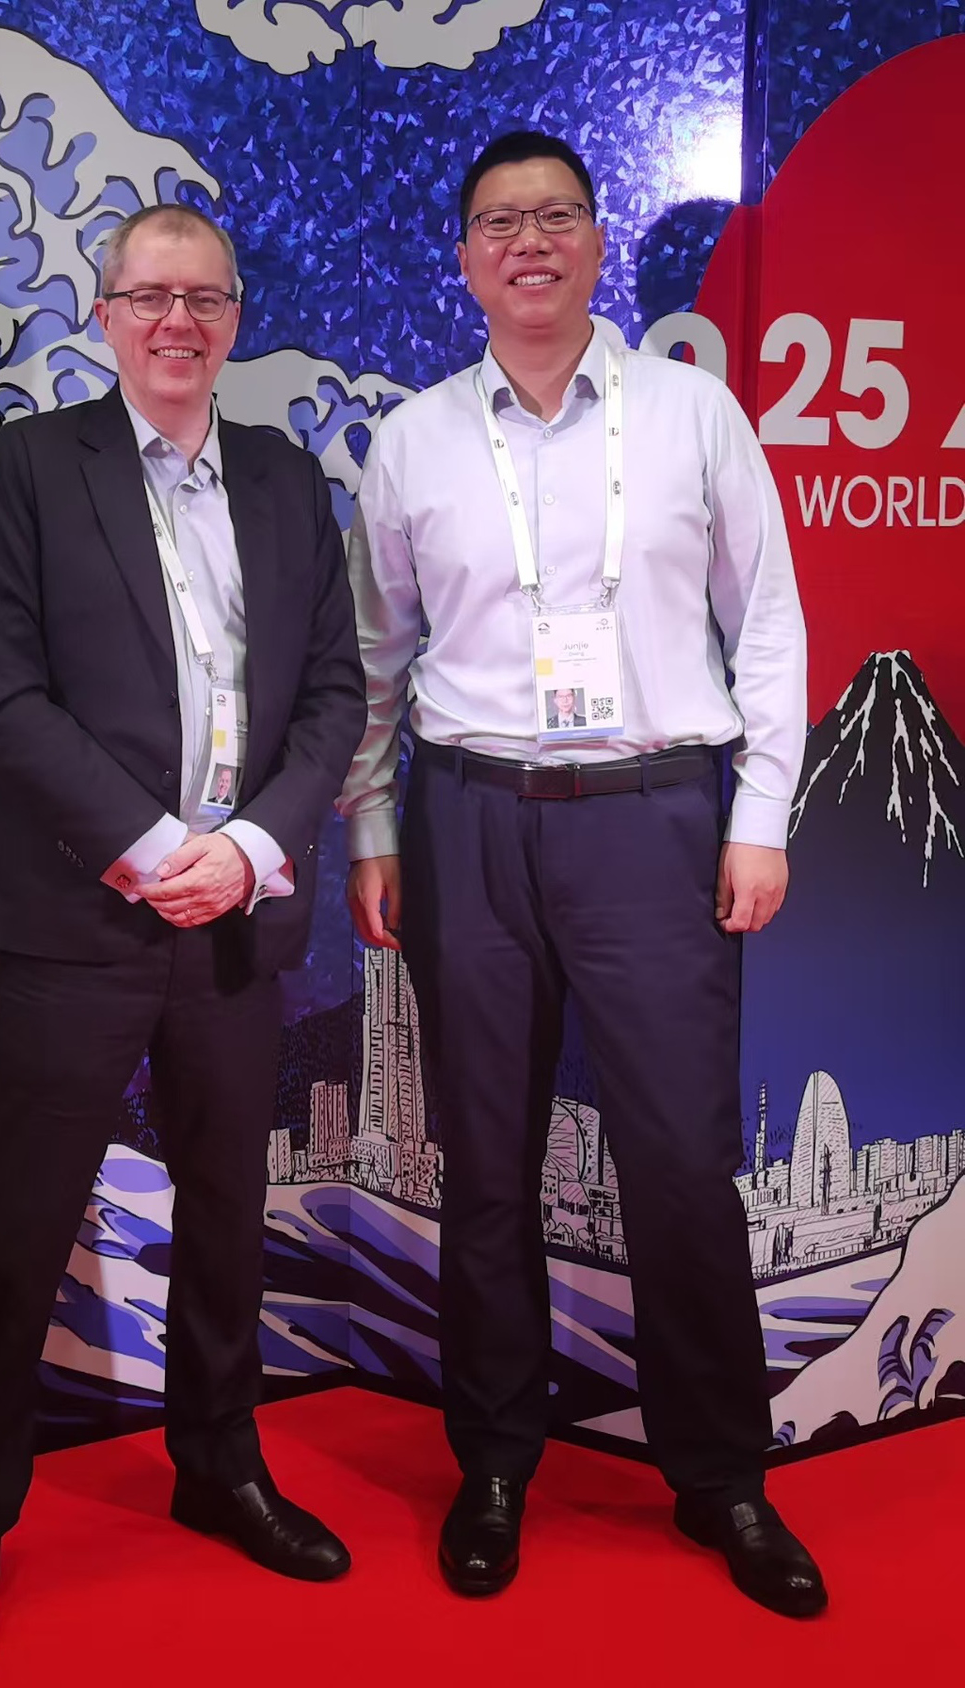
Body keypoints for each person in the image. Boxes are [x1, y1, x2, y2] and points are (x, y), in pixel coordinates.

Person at [339, 131, 826, 1618]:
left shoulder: (692, 413)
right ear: (466, 258)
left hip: (655, 819)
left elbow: (768, 621)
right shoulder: (415, 440)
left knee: (679, 1160)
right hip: (470, 820)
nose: (530, 242)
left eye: (556, 215)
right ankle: (494, 1466)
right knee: (485, 1163)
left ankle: (722, 1477)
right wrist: (372, 828)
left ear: (600, 243)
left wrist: (761, 812)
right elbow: (375, 658)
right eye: (500, 221)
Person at [0, 204, 366, 1680]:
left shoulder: (289, 481)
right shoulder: (35, 468)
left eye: (206, 298)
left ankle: (219, 1466)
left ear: (235, 316)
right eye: (151, 297)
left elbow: (336, 698)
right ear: (105, 316)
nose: (179, 322)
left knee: (229, 1214)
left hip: (240, 915)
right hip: (79, 916)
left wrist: (247, 849)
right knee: (20, 1227)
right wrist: (157, 848)